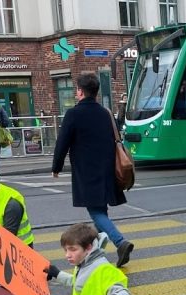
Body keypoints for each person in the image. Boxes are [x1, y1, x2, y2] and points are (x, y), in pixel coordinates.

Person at [52, 72, 135, 269]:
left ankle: (120, 242)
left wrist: (56, 167)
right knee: (100, 210)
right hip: (107, 169)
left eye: (77, 90)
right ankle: (96, 253)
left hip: (86, 171)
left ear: (80, 92)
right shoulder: (106, 113)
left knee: (95, 211)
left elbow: (62, 143)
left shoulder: (73, 114)